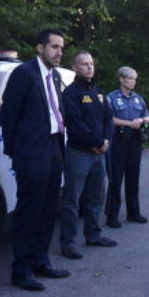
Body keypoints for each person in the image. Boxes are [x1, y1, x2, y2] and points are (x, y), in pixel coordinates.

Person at [1, 28, 72, 291]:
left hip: (54, 147)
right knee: (29, 211)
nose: (59, 52)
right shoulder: (24, 74)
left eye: (61, 48)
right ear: (40, 48)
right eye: (54, 47)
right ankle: (21, 270)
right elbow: (9, 115)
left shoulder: (54, 77)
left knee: (49, 209)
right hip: (31, 152)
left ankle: (41, 261)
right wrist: (15, 151)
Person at [59, 51, 116, 259]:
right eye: (84, 64)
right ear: (75, 67)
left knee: (96, 197)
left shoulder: (99, 92)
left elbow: (109, 119)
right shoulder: (71, 93)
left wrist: (106, 141)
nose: (89, 67)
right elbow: (74, 124)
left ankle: (93, 235)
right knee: (72, 201)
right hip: (79, 154)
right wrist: (97, 143)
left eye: (91, 63)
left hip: (99, 155)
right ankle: (68, 243)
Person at [105, 65, 149, 228]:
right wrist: (129, 123)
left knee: (133, 177)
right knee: (116, 179)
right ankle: (112, 216)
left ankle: (133, 212)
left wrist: (142, 121)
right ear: (121, 80)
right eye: (130, 79)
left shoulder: (138, 98)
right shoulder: (111, 97)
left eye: (134, 79)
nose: (133, 82)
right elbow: (108, 119)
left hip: (135, 141)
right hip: (118, 140)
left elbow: (147, 116)